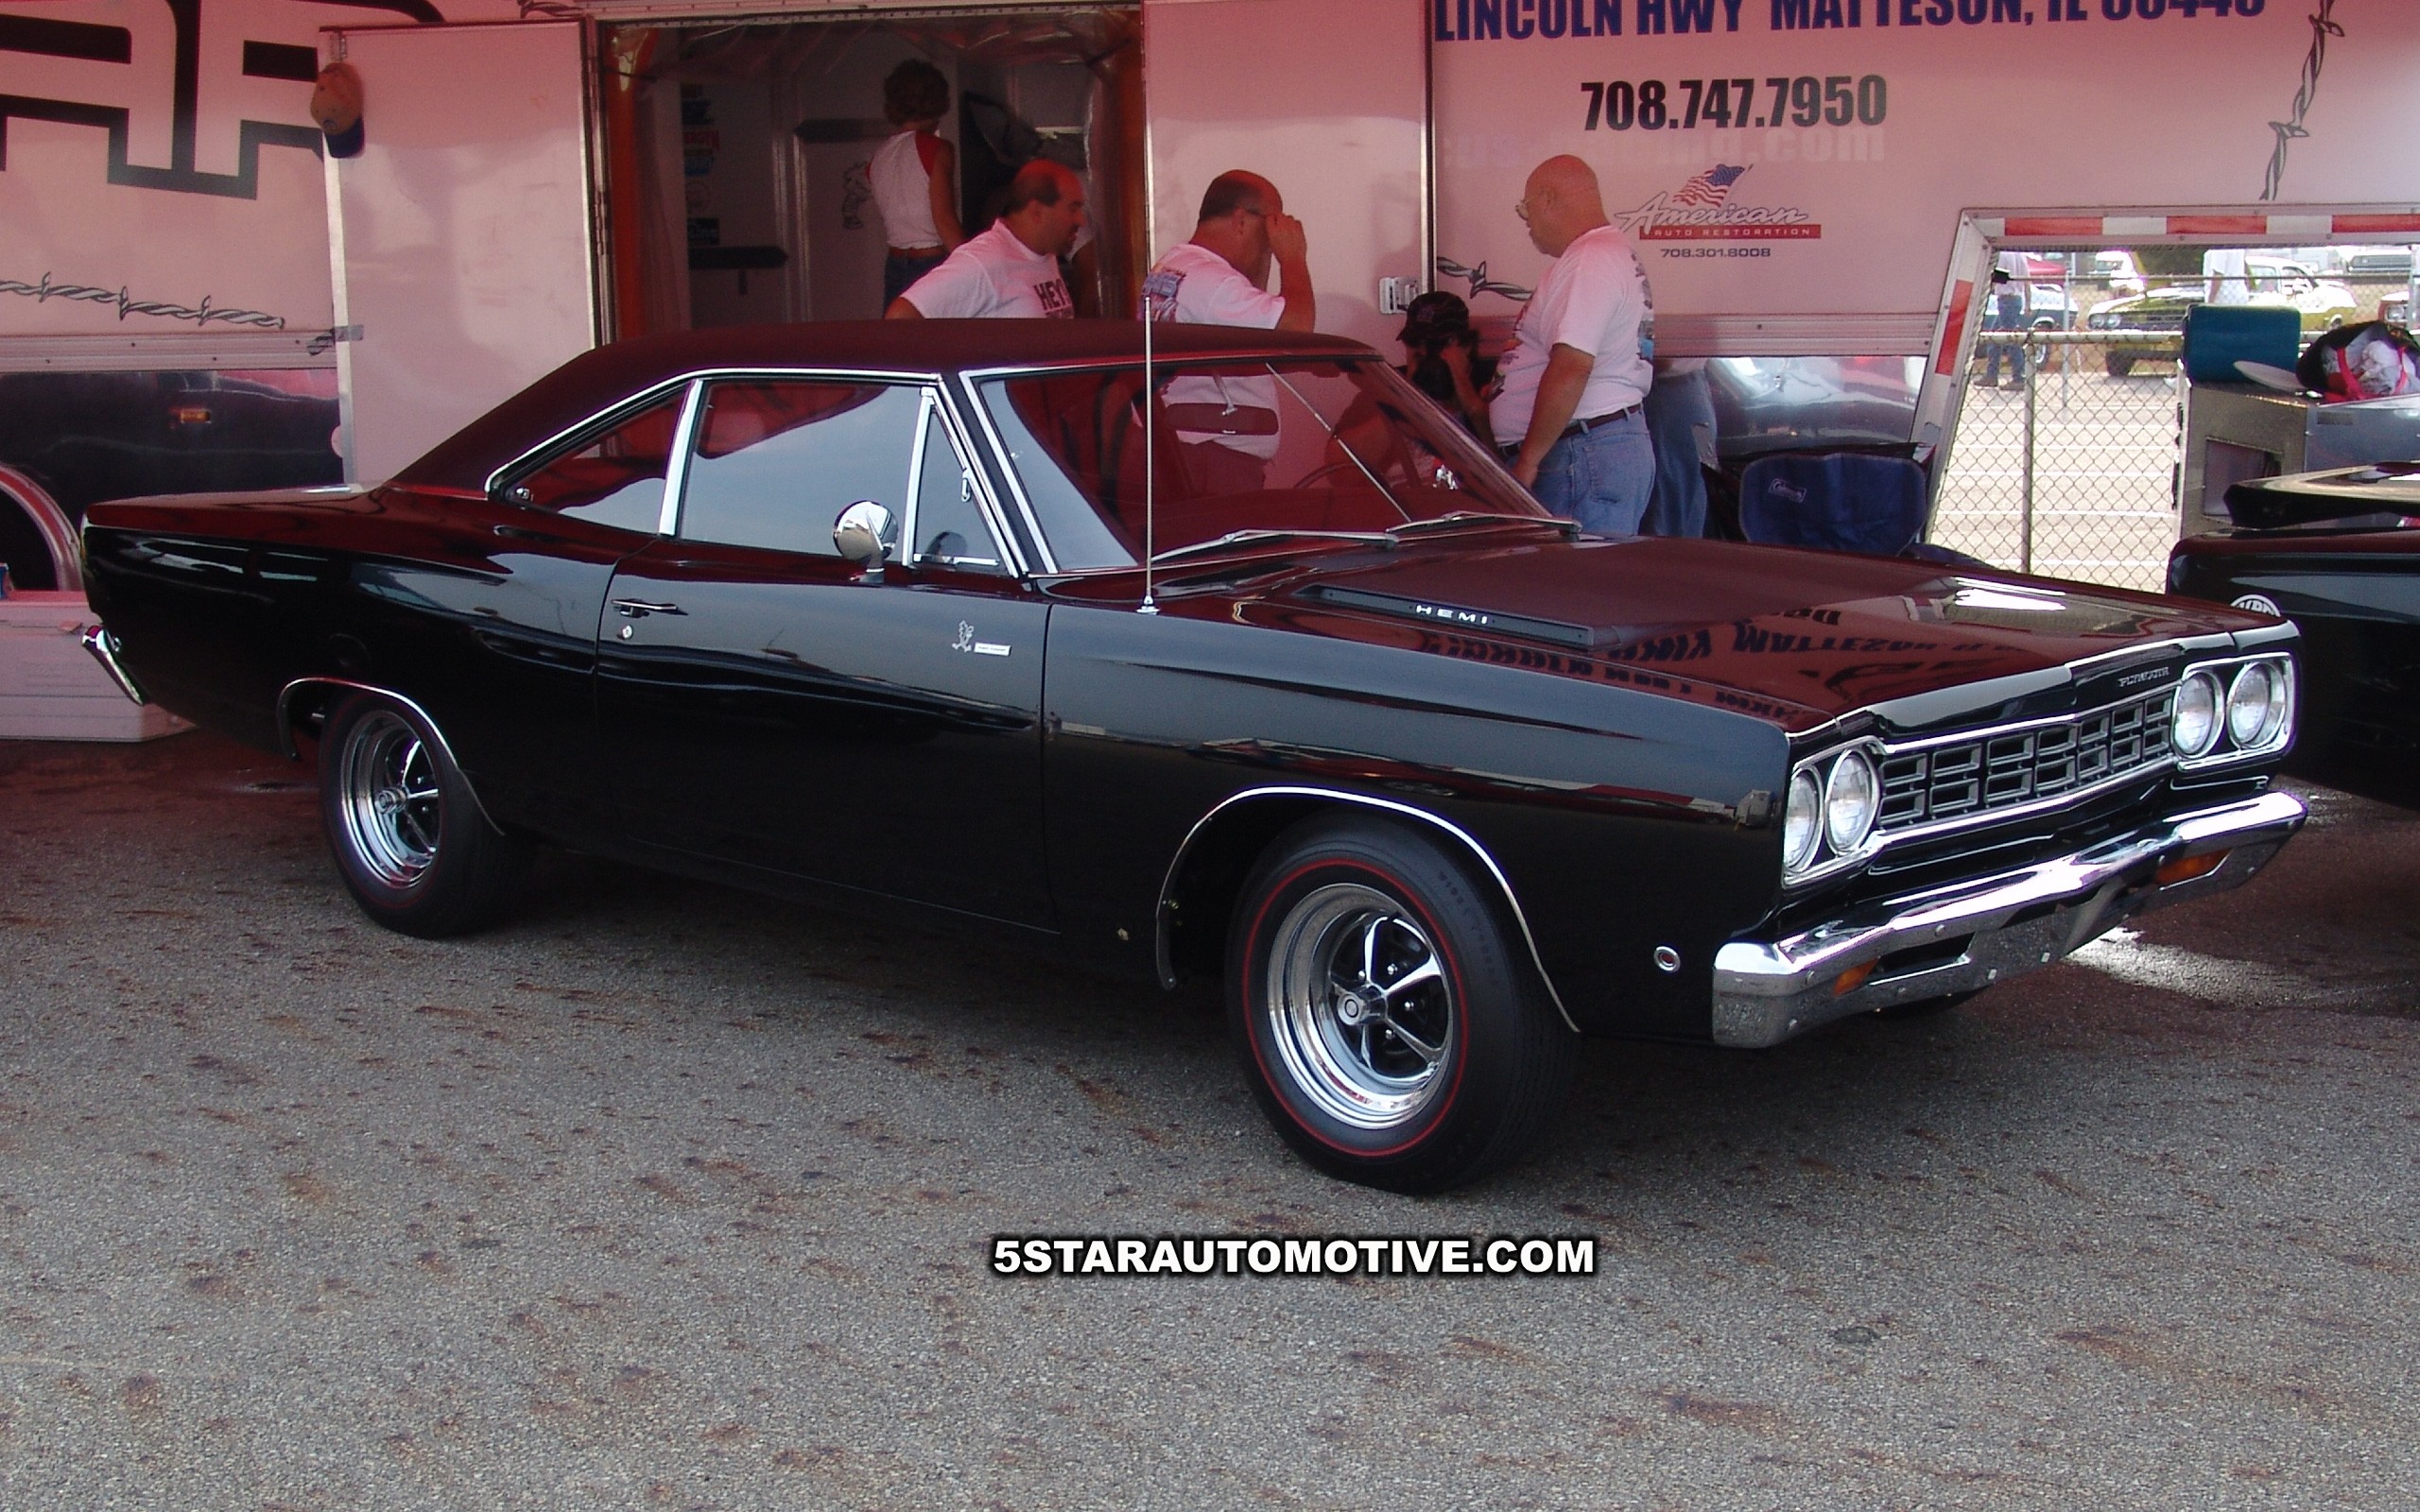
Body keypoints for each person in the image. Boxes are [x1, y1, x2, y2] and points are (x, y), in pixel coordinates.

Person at [1488, 155, 1655, 535]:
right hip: (1590, 449)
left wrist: (1528, 461)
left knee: (1576, 572)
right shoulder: (1604, 253)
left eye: (1525, 208)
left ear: (1547, 199)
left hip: (1580, 455)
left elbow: (1571, 367)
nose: (1526, 221)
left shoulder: (1589, 260)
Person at [1140, 170, 1313, 491]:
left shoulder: (1177, 265)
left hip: (1189, 450)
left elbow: (1255, 331)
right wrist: (1293, 258)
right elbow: (1296, 334)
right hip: (1216, 461)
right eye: (1271, 224)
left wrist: (1265, 254)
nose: (1274, 237)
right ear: (1241, 220)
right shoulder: (1214, 284)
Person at [886, 160, 1083, 320]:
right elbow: (901, 316)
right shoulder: (982, 262)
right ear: (1037, 211)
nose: (1081, 220)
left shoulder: (1044, 254)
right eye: (1072, 209)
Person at [868, 60, 966, 309]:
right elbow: (944, 220)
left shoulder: (879, 156)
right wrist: (974, 266)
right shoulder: (936, 148)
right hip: (931, 262)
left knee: (899, 333)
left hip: (895, 263)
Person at [1395, 291, 1494, 437]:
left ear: (1465, 345)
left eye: (1435, 345)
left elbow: (1504, 449)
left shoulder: (1493, 383)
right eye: (1414, 342)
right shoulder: (1392, 381)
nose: (1424, 352)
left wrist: (1474, 407)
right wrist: (1405, 397)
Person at [1640, 356, 1715, 537]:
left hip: (1668, 397)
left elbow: (1664, 359)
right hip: (1697, 395)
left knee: (1666, 504)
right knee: (1695, 486)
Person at [1979, 253, 2029, 389]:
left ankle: (2019, 377)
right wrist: (2028, 302)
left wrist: (1986, 287)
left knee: (2012, 339)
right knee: (1994, 336)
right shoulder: (2020, 255)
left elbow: (2000, 277)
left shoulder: (2003, 255)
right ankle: (1991, 374)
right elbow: (2027, 280)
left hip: (2006, 300)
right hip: (2016, 299)